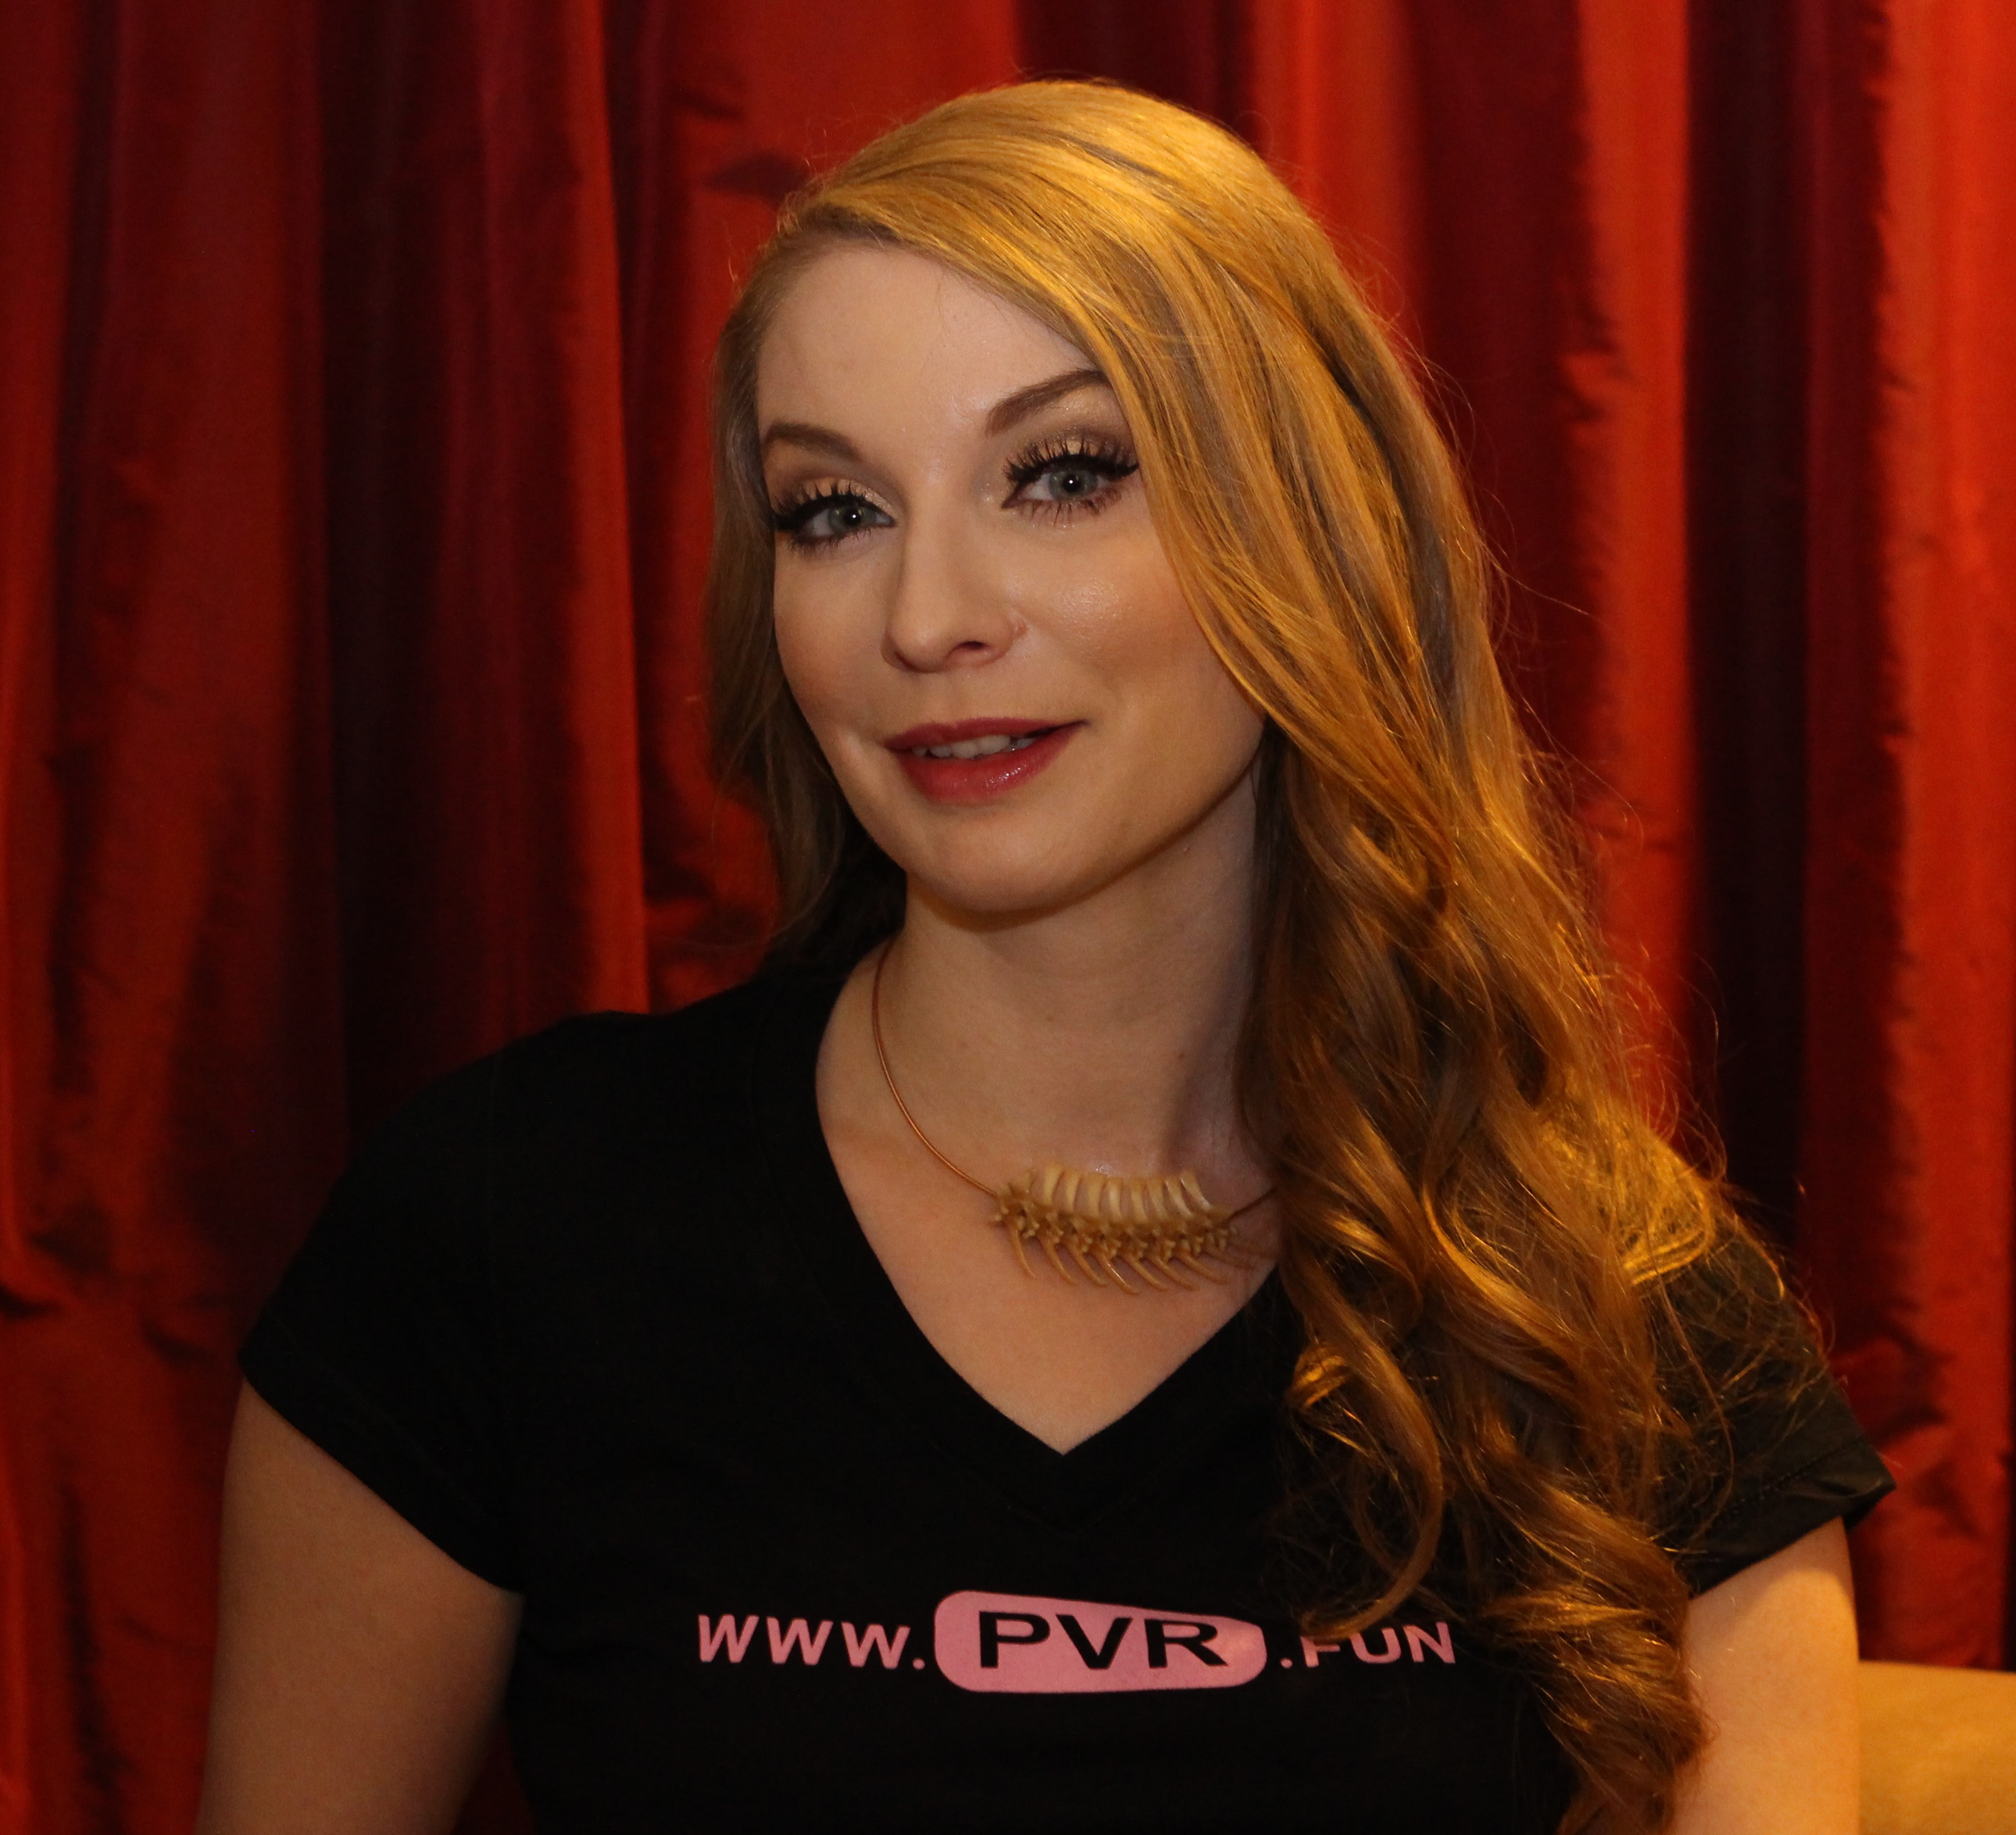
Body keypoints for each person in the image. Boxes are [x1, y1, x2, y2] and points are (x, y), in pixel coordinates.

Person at [196, 83, 1890, 1835]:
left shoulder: (1630, 1315)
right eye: (833, 509)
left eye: (1063, 475)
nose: (927, 615)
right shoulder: (503, 1223)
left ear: (1311, 533)